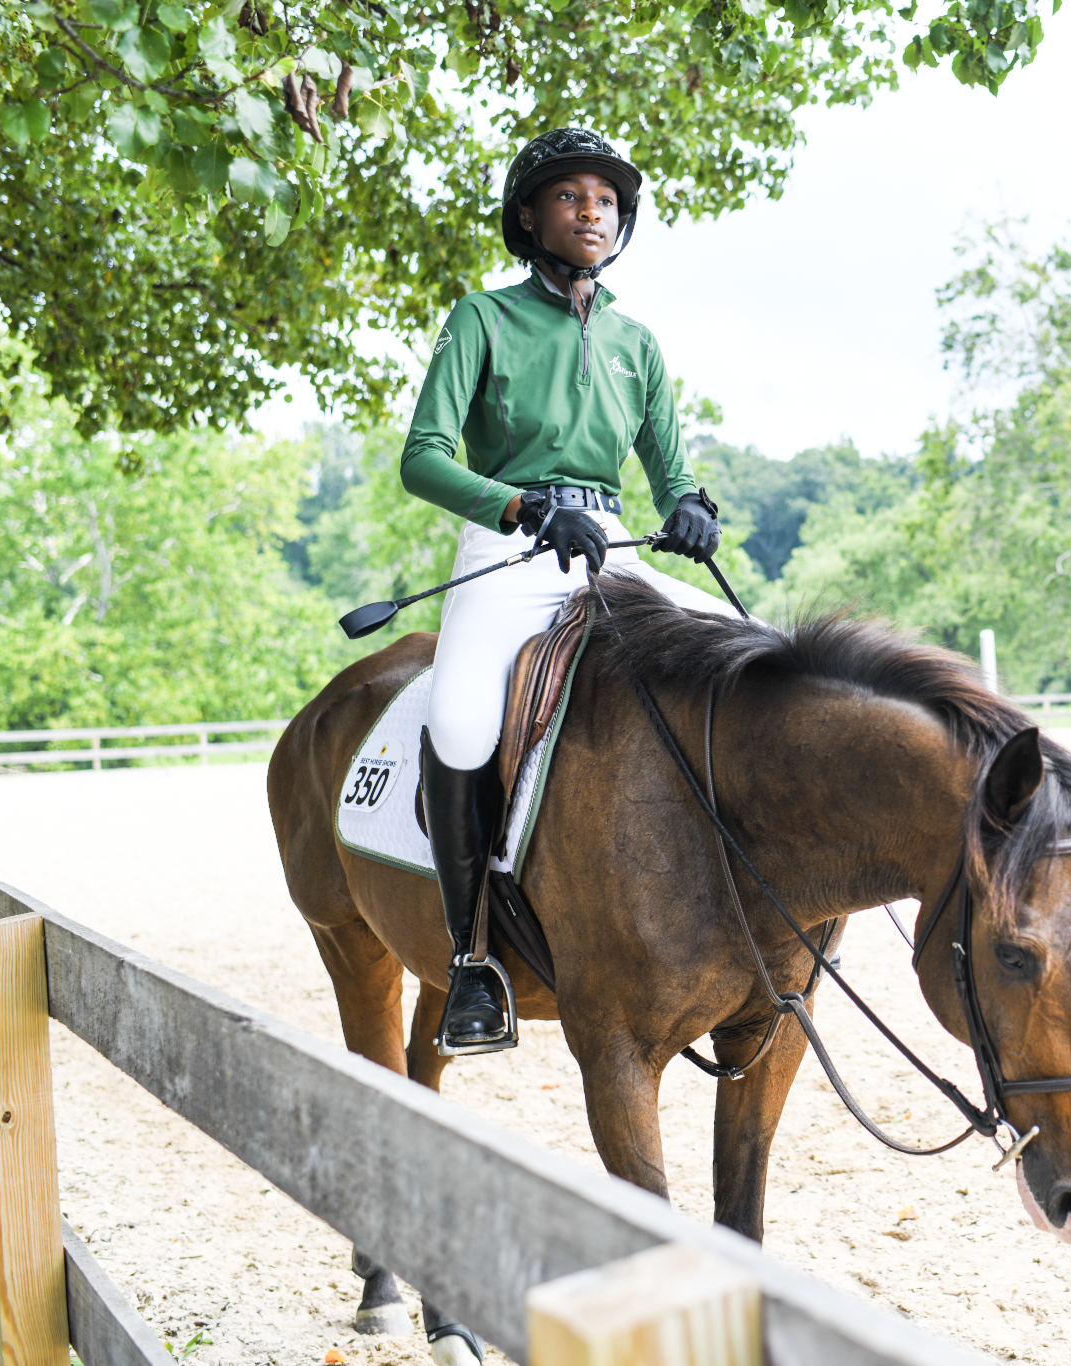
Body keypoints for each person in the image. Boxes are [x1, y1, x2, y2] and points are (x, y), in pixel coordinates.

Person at [399, 127, 736, 1056]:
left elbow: (670, 474)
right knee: (464, 719)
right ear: (528, 217)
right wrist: (520, 506)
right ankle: (472, 960)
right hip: (508, 548)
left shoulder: (638, 342)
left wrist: (692, 509)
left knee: (755, 654)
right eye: (571, 197)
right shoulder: (483, 318)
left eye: (607, 201)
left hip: (613, 551)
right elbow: (422, 460)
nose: (593, 212)